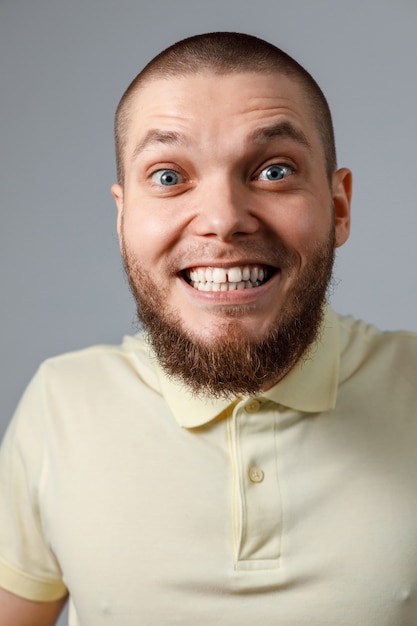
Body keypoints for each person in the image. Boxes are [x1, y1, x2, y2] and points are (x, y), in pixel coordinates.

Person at [0, 31, 416, 626]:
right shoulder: (60, 405)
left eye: (274, 171)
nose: (223, 220)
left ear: (339, 206)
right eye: (169, 177)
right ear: (122, 220)